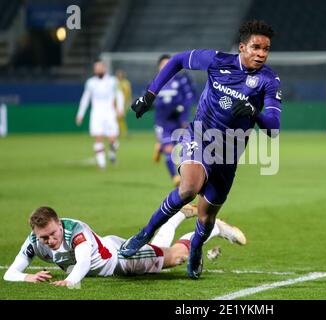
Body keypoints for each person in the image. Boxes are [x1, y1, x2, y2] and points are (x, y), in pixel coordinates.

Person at [121, 20, 281, 279]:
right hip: (199, 136)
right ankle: (145, 234)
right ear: (242, 47)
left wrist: (255, 113)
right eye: (256, 47)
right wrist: (151, 94)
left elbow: (274, 129)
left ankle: (195, 249)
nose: (261, 53)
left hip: (229, 153)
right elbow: (177, 61)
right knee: (188, 189)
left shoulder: (268, 80)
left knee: (206, 219)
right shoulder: (217, 61)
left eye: (266, 49)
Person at [3, 206, 246, 286]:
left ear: (59, 223)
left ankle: (214, 228)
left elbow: (83, 262)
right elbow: (9, 274)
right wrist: (28, 277)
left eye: (53, 234)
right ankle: (180, 215)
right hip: (111, 248)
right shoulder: (34, 241)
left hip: (120, 260)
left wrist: (70, 281)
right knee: (158, 248)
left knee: (175, 257)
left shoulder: (75, 231)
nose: (50, 241)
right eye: (44, 238)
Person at [151, 54, 197, 187]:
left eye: (168, 64)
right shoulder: (155, 82)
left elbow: (190, 97)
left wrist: (183, 114)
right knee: (169, 149)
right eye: (163, 65)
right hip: (162, 122)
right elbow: (149, 98)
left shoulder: (181, 80)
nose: (166, 67)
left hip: (178, 121)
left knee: (184, 150)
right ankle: (175, 178)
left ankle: (160, 147)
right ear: (159, 67)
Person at [76, 60, 124, 169]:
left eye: (99, 67)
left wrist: (120, 109)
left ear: (104, 68)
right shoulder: (90, 83)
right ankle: (101, 164)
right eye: (96, 68)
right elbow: (85, 98)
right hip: (96, 114)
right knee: (98, 138)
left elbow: (119, 94)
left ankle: (111, 154)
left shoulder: (112, 81)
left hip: (110, 113)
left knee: (113, 139)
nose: (97, 69)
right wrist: (80, 114)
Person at [115, 69, 132, 138]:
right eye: (118, 74)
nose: (120, 75)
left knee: (121, 117)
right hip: (115, 104)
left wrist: (129, 101)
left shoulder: (126, 83)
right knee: (117, 118)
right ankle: (118, 131)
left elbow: (129, 93)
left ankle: (123, 132)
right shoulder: (115, 82)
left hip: (124, 104)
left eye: (121, 74)